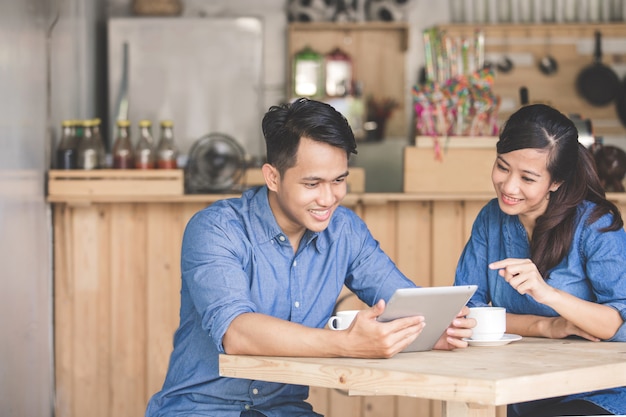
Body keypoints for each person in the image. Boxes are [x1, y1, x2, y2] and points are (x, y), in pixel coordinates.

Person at [146, 98, 474, 417]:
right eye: (312, 183)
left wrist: (430, 330)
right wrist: (346, 343)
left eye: (339, 181)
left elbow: (406, 304)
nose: (329, 198)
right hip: (200, 409)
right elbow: (237, 332)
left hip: (285, 411)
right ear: (272, 177)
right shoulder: (216, 229)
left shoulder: (344, 231)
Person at [454, 103, 626, 417]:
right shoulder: (491, 219)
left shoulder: (595, 225)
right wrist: (548, 325)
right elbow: (467, 314)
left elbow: (620, 322)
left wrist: (547, 294)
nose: (508, 186)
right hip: (523, 392)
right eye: (503, 167)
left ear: (556, 182)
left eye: (528, 178)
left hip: (599, 395)